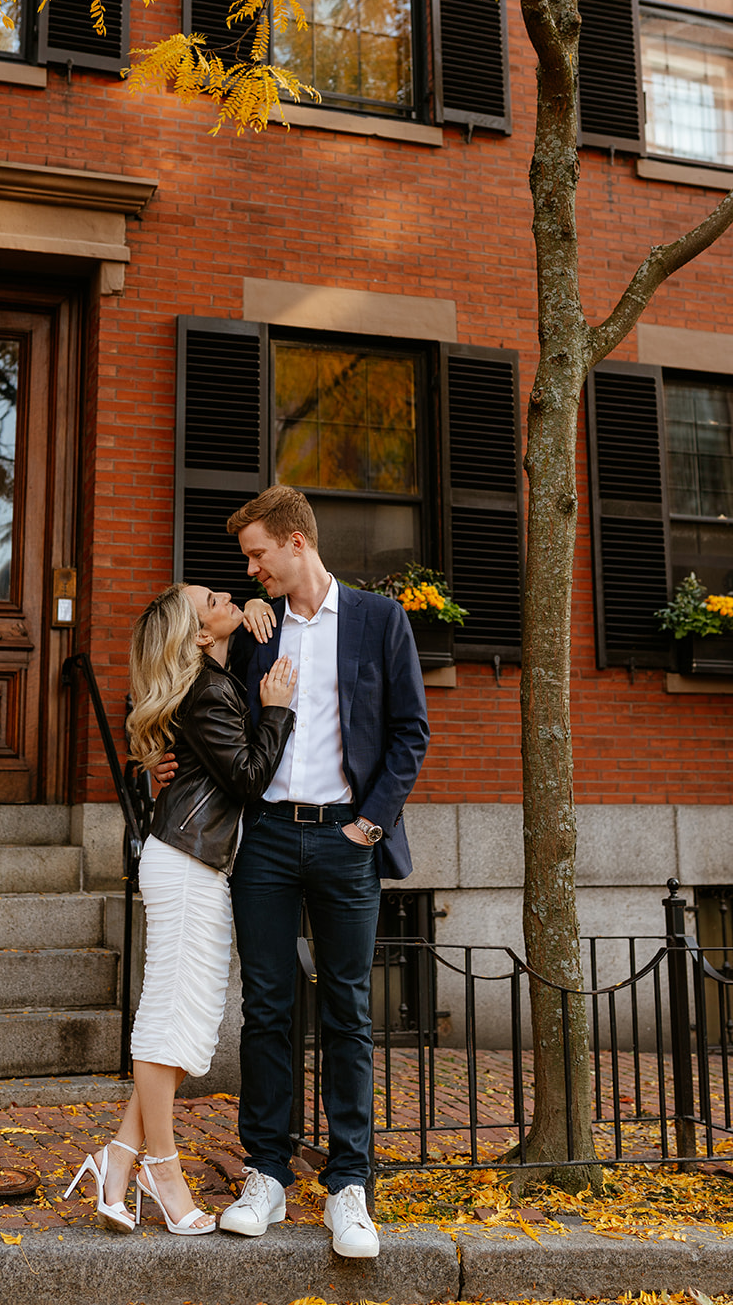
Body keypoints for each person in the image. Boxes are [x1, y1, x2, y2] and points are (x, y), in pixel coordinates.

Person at [218, 485, 429, 1259]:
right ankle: (266, 1174)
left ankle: (349, 1186)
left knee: (348, 1011)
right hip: (267, 838)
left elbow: (410, 732)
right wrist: (233, 621)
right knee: (267, 1009)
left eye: (257, 554)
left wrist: (368, 824)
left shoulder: (378, 620)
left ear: (295, 543)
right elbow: (214, 706)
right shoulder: (256, 629)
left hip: (346, 842)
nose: (251, 568)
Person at [64, 582, 295, 1235]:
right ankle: (160, 1169)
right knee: (170, 1016)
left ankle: (116, 1160)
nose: (229, 592)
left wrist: (254, 609)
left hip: (192, 859)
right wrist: (277, 711)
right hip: (189, 863)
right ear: (197, 633)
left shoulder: (208, 680)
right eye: (213, 598)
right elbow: (248, 777)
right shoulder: (208, 690)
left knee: (182, 1020)